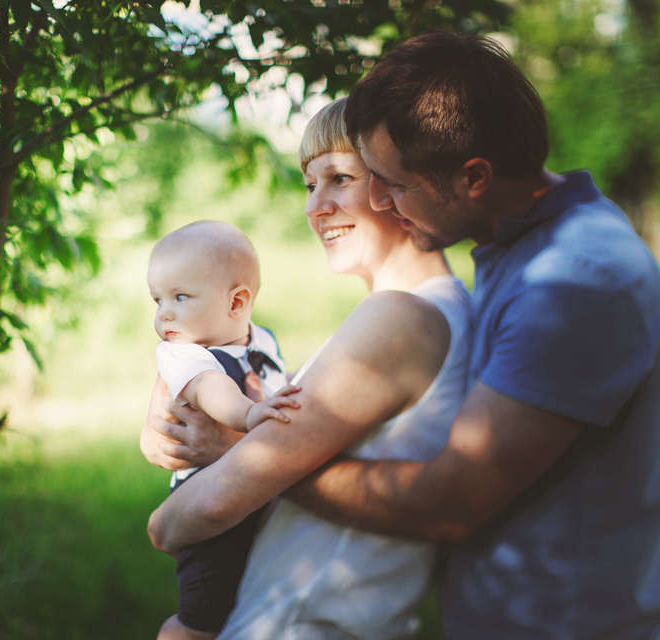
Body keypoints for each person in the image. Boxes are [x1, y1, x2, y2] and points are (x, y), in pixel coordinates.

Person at [148, 30, 660, 639]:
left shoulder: (575, 279)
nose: (382, 201)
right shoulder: (513, 253)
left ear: (474, 177)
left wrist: (244, 459)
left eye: (383, 180)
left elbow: (453, 500)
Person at [143, 97, 473, 638]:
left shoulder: (400, 316)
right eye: (308, 183)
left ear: (397, 183)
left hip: (303, 621)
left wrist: (163, 520)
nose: (314, 207)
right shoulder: (436, 307)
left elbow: (215, 502)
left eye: (339, 178)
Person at [147, 220, 297, 640]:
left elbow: (279, 384)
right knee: (205, 615)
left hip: (254, 499)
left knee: (250, 605)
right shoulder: (183, 356)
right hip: (207, 507)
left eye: (180, 297)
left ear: (237, 302)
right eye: (157, 299)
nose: (164, 313)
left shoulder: (263, 342)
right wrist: (250, 415)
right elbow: (212, 390)